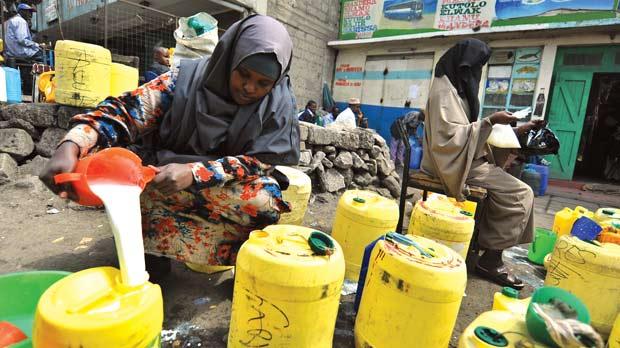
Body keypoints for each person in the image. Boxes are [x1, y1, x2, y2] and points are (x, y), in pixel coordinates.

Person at [40, 15, 299, 278]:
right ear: (229, 58)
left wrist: (195, 172)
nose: (248, 87)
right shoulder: (185, 82)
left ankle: (240, 263)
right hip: (164, 170)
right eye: (243, 74)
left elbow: (260, 161)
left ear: (275, 82)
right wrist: (72, 144)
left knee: (263, 201)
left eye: (262, 83)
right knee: (129, 175)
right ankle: (151, 252)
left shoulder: (278, 107)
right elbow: (125, 112)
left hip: (224, 180)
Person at [422, 38, 544, 290]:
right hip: (447, 163)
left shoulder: (455, 89)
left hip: (460, 159)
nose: (477, 74)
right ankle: (491, 259)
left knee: (508, 188)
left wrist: (519, 129)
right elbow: (448, 139)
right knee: (520, 193)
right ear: (464, 67)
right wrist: (489, 121)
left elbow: (466, 133)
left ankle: (487, 247)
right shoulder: (445, 92)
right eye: (475, 68)